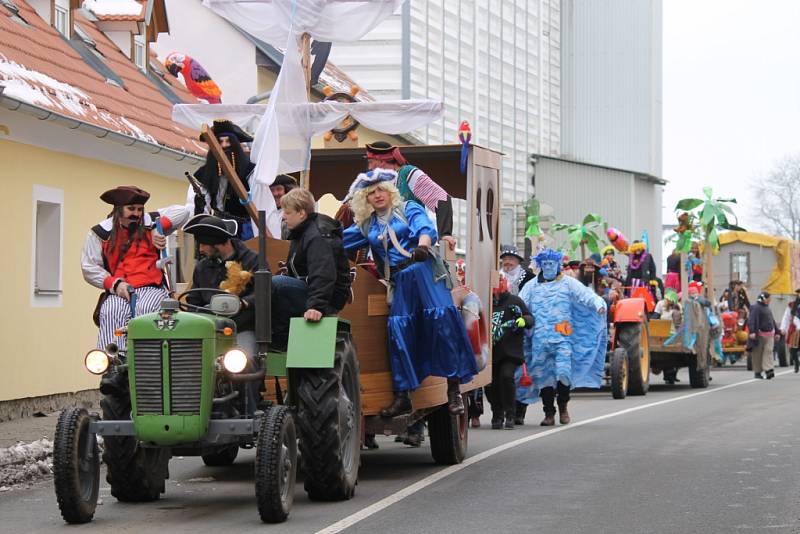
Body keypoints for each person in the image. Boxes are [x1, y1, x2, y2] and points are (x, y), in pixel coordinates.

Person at [343, 171, 477, 416]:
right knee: (398, 330)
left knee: (442, 321)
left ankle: (453, 390)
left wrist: (422, 246)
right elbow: (340, 242)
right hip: (399, 281)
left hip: (423, 271)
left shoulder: (408, 208)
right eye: (371, 193)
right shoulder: (367, 225)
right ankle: (403, 394)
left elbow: (425, 229)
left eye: (381, 190)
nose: (377, 195)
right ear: (366, 198)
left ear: (390, 191)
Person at [82, 186, 189, 353]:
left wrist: (156, 226)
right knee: (111, 311)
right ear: (118, 209)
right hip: (119, 289)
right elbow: (89, 267)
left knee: (145, 310)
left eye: (140, 209)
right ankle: (113, 363)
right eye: (131, 209)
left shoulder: (150, 223)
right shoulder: (100, 233)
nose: (136, 213)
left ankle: (147, 359)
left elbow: (183, 212)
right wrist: (115, 284)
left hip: (151, 287)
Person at [516, 249, 607, 426]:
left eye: (552, 264)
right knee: (543, 378)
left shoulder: (568, 283)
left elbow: (586, 295)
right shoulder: (531, 286)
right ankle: (549, 413)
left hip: (562, 338)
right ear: (540, 266)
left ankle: (563, 406)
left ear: (558, 265)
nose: (549, 267)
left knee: (564, 373)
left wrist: (598, 303)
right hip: (539, 340)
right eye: (545, 264)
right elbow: (519, 304)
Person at [182, 214, 263, 414]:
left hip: (241, 329)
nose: (200, 250)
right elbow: (194, 302)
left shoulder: (252, 260)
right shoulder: (202, 267)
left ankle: (249, 413)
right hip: (208, 333)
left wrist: (244, 302)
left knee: (246, 361)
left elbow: (265, 294)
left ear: (217, 243)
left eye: (203, 244)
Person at [270, 188, 351, 350]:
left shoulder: (317, 236)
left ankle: (281, 339)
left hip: (327, 300)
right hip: (314, 292)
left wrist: (316, 306)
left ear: (301, 213)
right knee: (266, 284)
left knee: (276, 284)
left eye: (287, 212)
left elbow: (324, 273)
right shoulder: (303, 232)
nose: (283, 217)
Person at [341, 142, 456, 251]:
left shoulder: (408, 173)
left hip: (410, 244)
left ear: (381, 161)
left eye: (371, 162)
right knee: (346, 209)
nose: (369, 167)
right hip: (380, 246)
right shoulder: (373, 181)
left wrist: (445, 234)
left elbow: (441, 198)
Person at [187, 119, 259, 240]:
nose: (224, 145)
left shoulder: (250, 171)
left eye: (228, 141)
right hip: (217, 226)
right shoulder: (204, 173)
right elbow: (201, 206)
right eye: (220, 141)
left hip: (244, 230)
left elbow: (259, 203)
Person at [486, 273, 533, 429]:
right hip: (491, 352)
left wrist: (523, 320)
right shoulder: (486, 302)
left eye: (500, 281)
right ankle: (497, 414)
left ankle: (510, 414)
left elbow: (530, 318)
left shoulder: (515, 301)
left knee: (506, 378)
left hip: (510, 352)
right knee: (491, 384)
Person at [748, 291, 778, 379]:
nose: (770, 300)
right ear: (764, 299)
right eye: (768, 299)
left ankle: (768, 370)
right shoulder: (755, 308)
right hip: (759, 334)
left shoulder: (767, 308)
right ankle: (757, 372)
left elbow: (772, 321)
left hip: (769, 334)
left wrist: (777, 332)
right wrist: (752, 331)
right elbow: (751, 320)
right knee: (757, 354)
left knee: (768, 351)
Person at [270, 174, 298, 239]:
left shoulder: (295, 213)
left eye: (279, 189)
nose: (275, 193)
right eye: (272, 190)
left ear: (287, 191)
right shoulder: (263, 213)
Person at [780, 297, 800, 373]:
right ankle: (797, 362)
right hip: (795, 330)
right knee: (792, 350)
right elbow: (786, 317)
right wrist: (783, 328)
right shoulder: (791, 305)